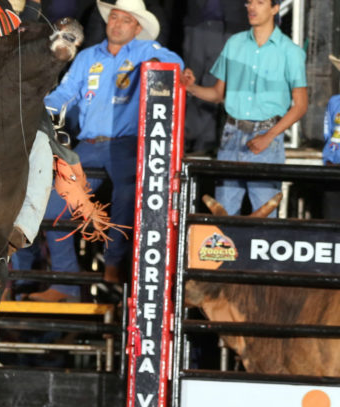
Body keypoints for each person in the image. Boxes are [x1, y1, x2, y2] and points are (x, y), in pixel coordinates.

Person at [42, 0, 183, 284]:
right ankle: (66, 282)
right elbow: (65, 94)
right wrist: (39, 106)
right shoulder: (87, 57)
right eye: (114, 17)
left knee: (126, 200)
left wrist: (158, 66)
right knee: (51, 211)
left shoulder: (147, 51)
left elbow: (175, 64)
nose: (117, 24)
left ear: (137, 27)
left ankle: (114, 266)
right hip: (89, 145)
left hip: (127, 145)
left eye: (125, 20)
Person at [182, 0, 307, 217]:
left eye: (260, 2)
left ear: (275, 8)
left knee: (264, 216)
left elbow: (301, 105)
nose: (252, 7)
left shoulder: (290, 52)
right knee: (223, 216)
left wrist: (269, 136)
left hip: (267, 139)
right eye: (249, 2)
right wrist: (190, 87)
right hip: (232, 135)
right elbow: (218, 94)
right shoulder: (234, 44)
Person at [182, 0, 248, 153]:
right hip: (197, 20)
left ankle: (203, 140)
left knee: (213, 81)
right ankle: (190, 137)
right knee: (191, 78)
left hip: (230, 23)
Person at [322, 55, 340, 220]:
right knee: (332, 220)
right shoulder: (334, 102)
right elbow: (328, 133)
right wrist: (329, 157)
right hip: (334, 166)